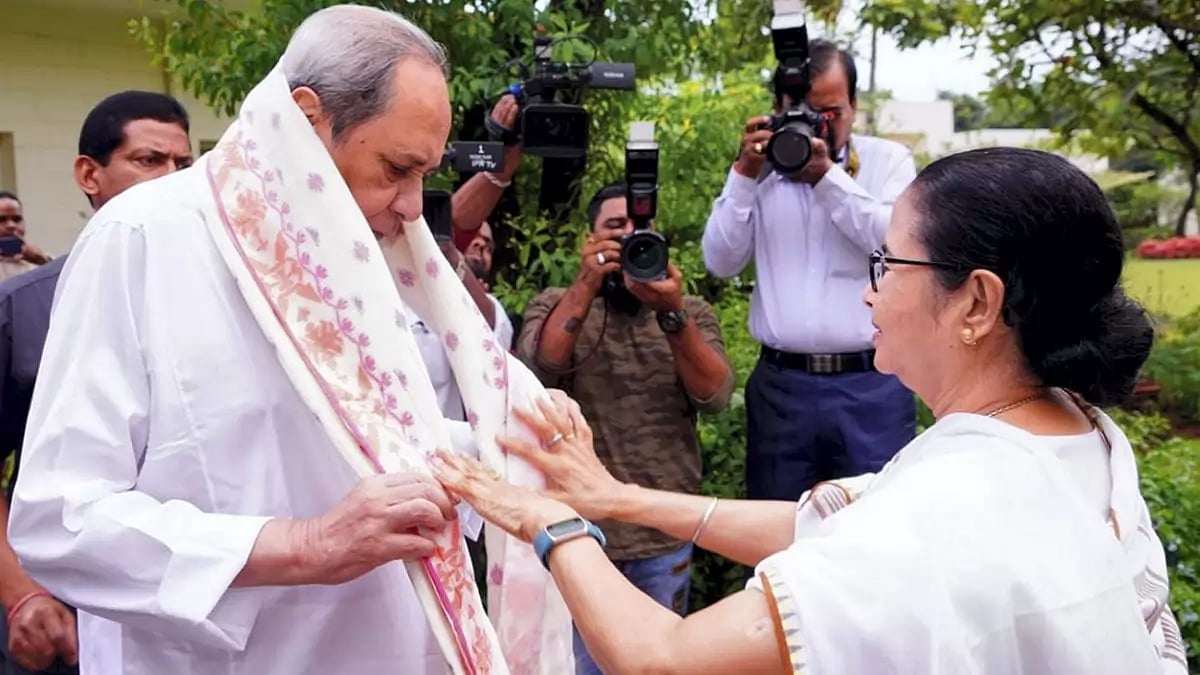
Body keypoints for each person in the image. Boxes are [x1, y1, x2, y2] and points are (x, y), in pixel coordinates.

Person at [433, 147, 1187, 674]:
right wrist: (614, 497)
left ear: (979, 303)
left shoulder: (955, 504)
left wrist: (552, 522)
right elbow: (838, 522)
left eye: (887, 264)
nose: (868, 290)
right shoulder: (1069, 431)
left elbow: (664, 657)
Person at [7, 7, 553, 674]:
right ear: (308, 120)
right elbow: (59, 518)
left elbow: (379, 437)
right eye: (396, 168)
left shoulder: (357, 254)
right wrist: (304, 545)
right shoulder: (143, 238)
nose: (415, 206)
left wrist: (515, 441)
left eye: (424, 175)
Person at [0, 90, 192, 675]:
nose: (171, 180)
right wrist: (23, 594)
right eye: (149, 161)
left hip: (187, 614)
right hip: (62, 621)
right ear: (90, 174)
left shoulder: (225, 305)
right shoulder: (23, 310)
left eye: (184, 166)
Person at [517, 183, 734, 674]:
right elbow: (538, 369)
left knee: (659, 664)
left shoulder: (690, 312)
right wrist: (585, 286)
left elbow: (715, 395)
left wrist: (671, 311)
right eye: (615, 228)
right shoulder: (556, 302)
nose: (629, 238)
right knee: (578, 665)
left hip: (662, 529)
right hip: (576, 533)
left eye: (641, 229)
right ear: (589, 240)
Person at [702, 40, 916, 503]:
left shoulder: (886, 162)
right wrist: (743, 173)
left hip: (872, 380)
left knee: (880, 521)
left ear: (854, 106)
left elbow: (894, 241)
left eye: (832, 112)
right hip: (783, 387)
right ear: (778, 108)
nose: (819, 124)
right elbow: (720, 261)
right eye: (804, 111)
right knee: (776, 525)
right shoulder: (758, 172)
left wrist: (825, 178)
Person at [0, 194, 50, 283]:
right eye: (2, 220)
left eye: (16, 219)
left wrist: (43, 261)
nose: (11, 225)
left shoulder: (40, 262)